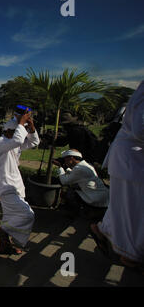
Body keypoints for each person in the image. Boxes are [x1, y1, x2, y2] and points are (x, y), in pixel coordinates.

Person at [90, 81, 144, 270]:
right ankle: (131, 253)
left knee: (124, 203)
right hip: (134, 158)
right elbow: (140, 127)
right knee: (134, 206)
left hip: (131, 158)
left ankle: (105, 230)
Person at [0, 111, 40, 255]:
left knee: (9, 216)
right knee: (27, 215)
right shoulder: (0, 143)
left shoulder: (14, 143)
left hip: (15, 185)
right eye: (18, 130)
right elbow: (18, 140)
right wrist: (21, 123)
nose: (21, 134)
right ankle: (4, 231)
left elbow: (34, 142)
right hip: (6, 186)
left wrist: (31, 127)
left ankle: (3, 245)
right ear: (7, 131)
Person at [52, 149, 109, 219]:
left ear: (71, 158)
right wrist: (65, 168)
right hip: (103, 196)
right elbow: (74, 174)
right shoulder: (86, 165)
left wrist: (60, 167)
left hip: (96, 199)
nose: (65, 162)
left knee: (69, 192)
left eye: (65, 160)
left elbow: (64, 181)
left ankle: (78, 213)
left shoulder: (79, 169)